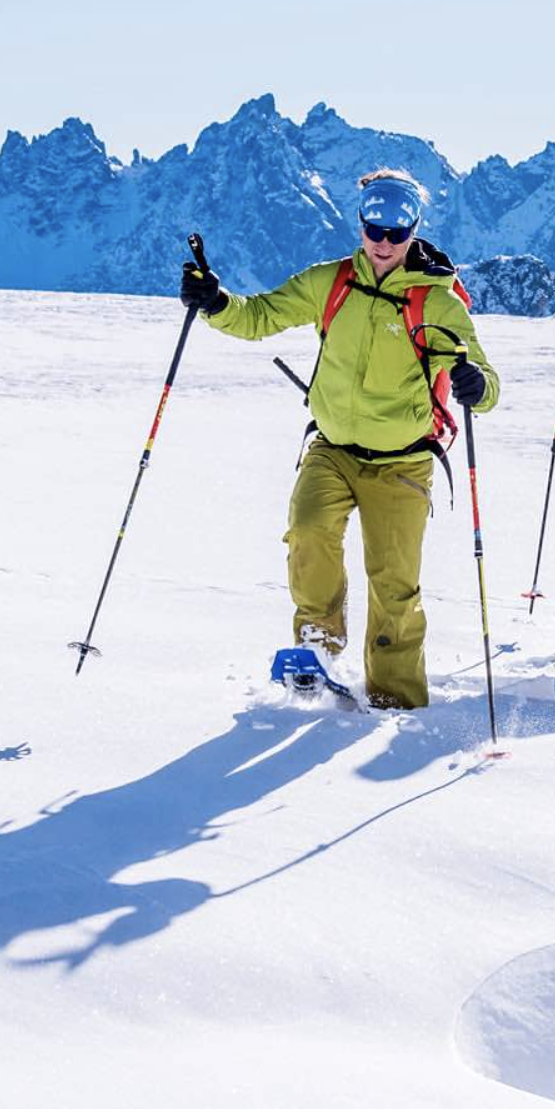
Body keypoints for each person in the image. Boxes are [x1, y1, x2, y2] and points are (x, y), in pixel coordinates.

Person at [179, 169, 498, 709]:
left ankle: (397, 702)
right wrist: (215, 302)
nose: (384, 243)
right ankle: (317, 649)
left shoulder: (437, 304)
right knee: (308, 529)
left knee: (394, 583)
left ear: (414, 232)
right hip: (332, 447)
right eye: (375, 229)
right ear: (361, 223)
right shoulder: (331, 282)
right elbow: (259, 316)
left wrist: (474, 384)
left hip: (403, 461)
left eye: (397, 234)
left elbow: (485, 385)